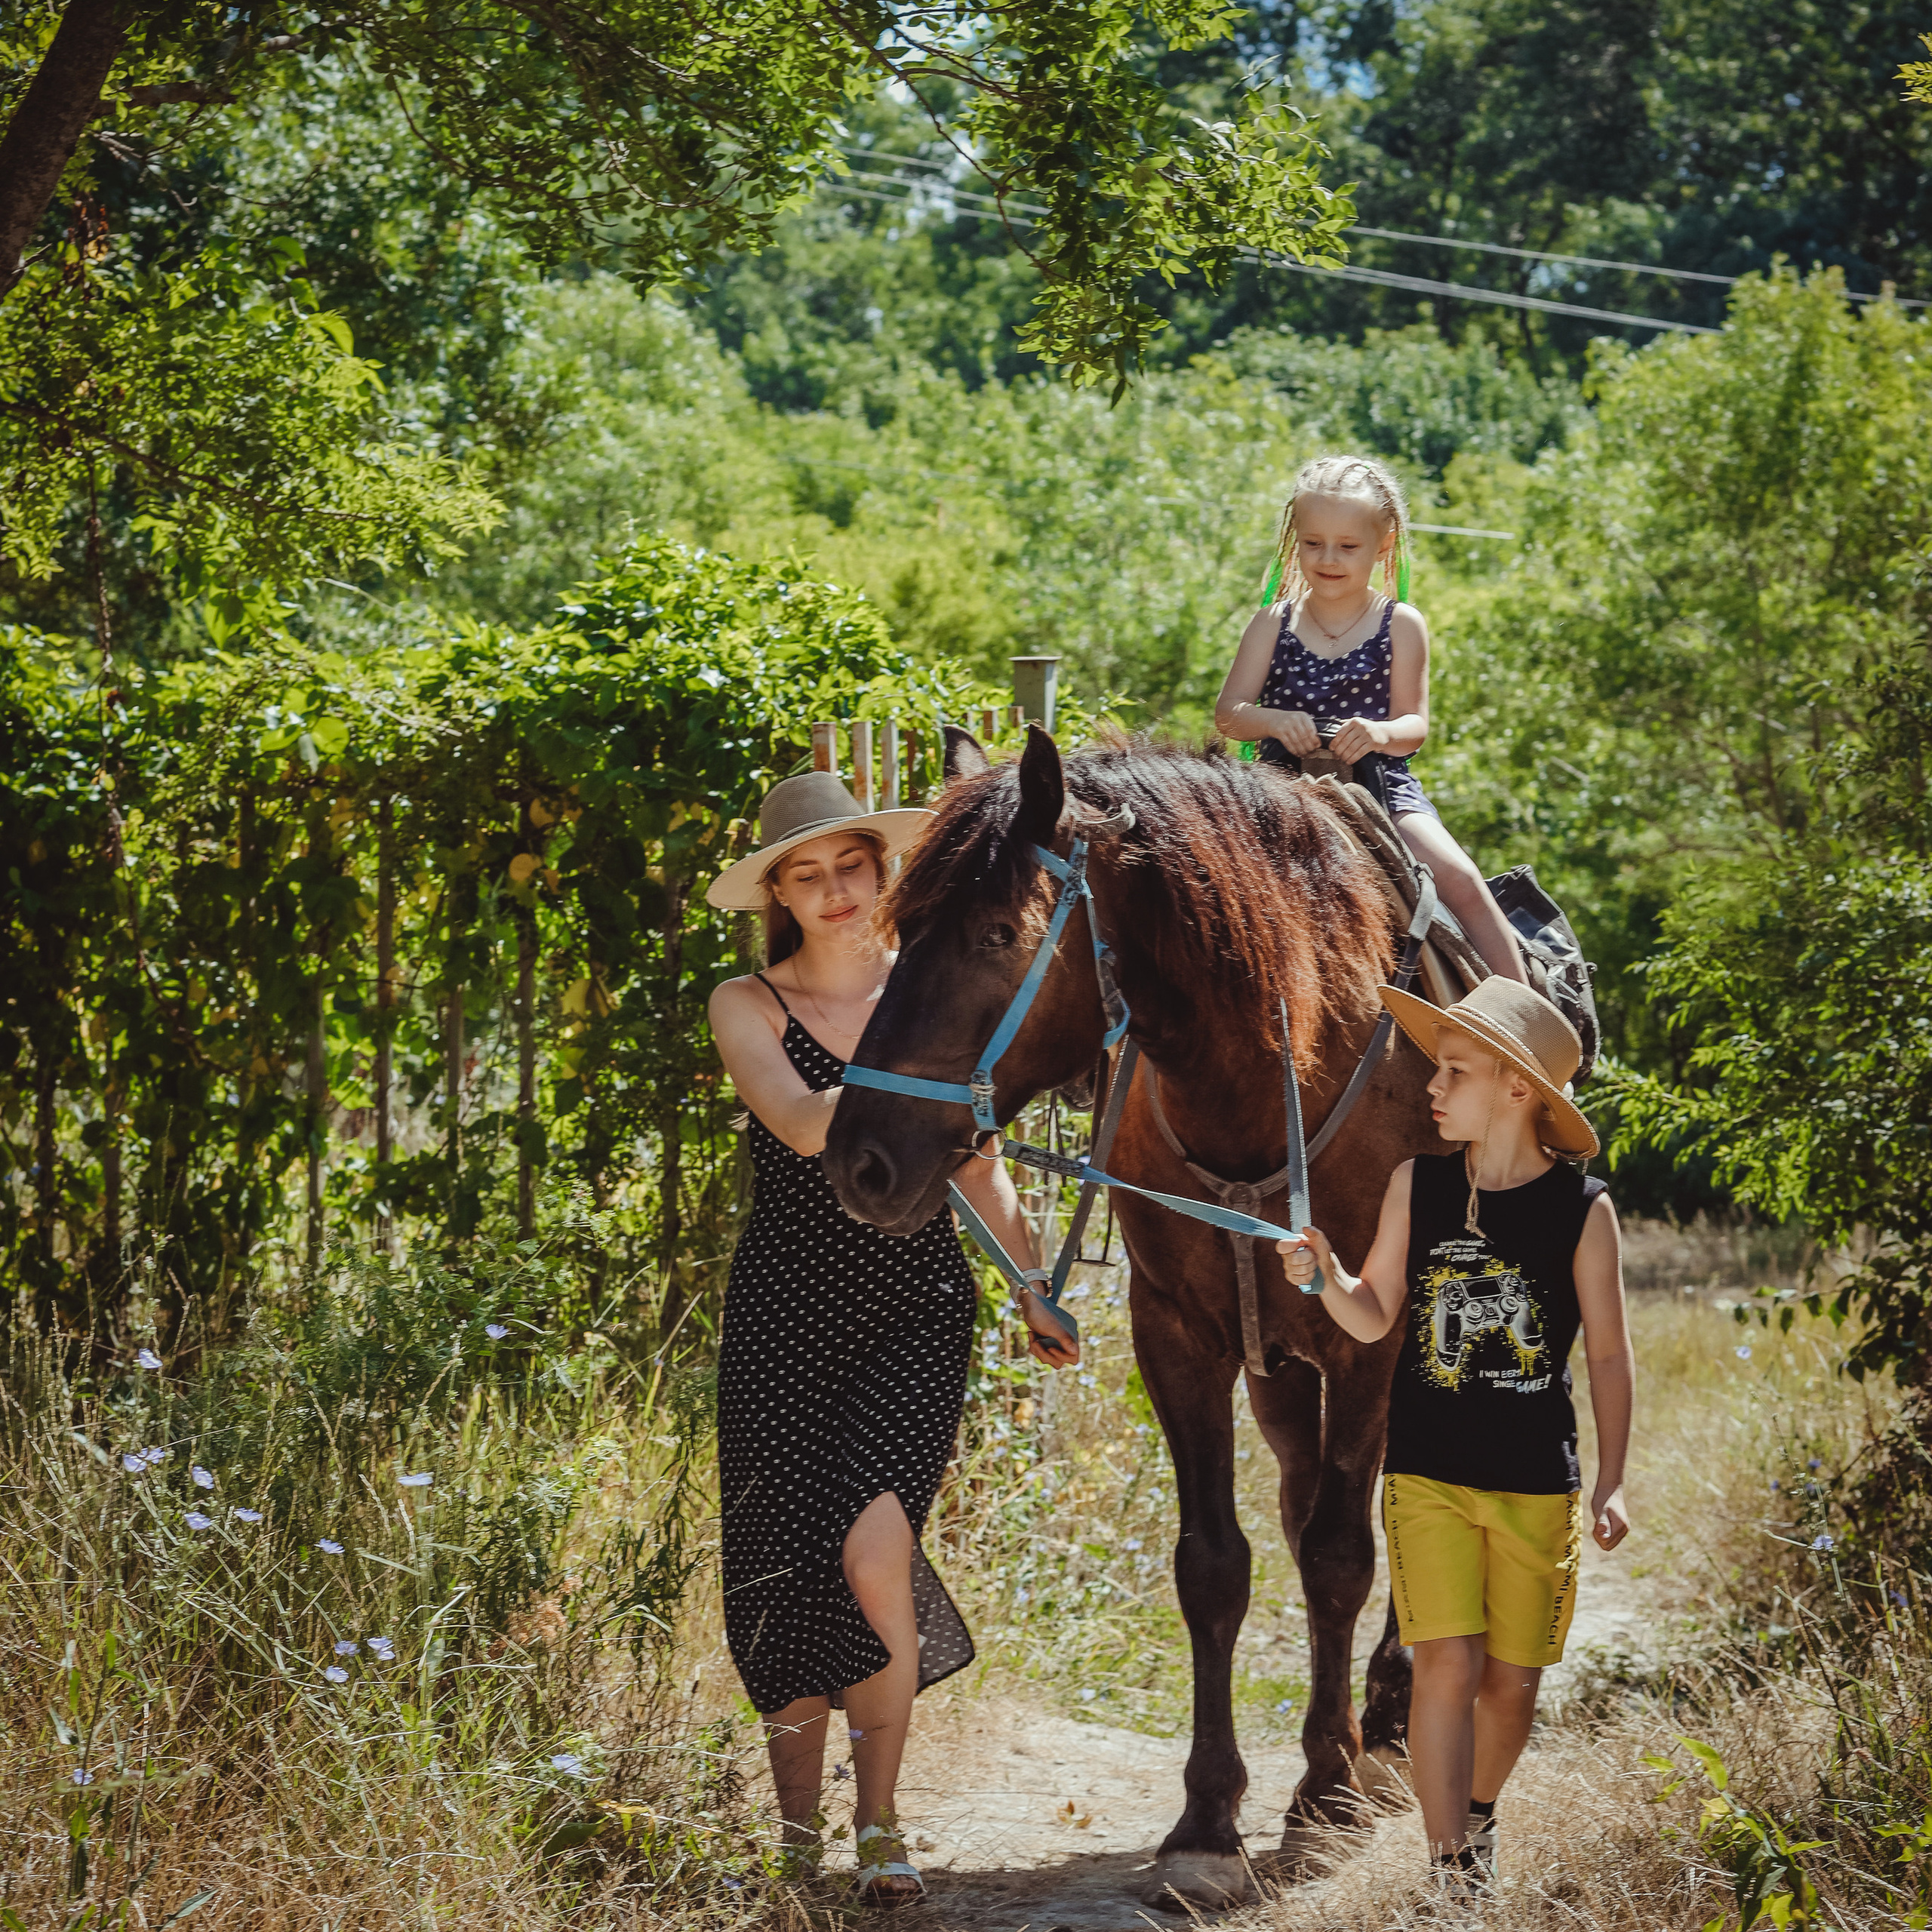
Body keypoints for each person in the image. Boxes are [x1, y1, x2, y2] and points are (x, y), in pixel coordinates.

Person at [705, 770, 1077, 1907]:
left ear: (883, 872)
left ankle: (879, 1825)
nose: (833, 891)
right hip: (782, 1313)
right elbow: (805, 1120)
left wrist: (1031, 1282)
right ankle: (792, 1832)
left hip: (912, 1304)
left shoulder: (927, 994)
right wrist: (917, 1080)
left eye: (851, 867)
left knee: (874, 1557)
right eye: (805, 875)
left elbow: (982, 1166)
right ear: (779, 892)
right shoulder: (748, 1004)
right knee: (783, 1576)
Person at [1276, 977, 1632, 1899]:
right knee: (1444, 1662)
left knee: (1509, 1687)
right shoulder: (1417, 1184)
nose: (1433, 1087)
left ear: (1517, 1086)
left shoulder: (1582, 1210)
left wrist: (1613, 1481)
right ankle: (1449, 1876)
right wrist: (1324, 1276)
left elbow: (1607, 1360)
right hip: (1426, 1474)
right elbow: (1371, 1314)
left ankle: (1475, 1817)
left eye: (1455, 1071)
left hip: (1534, 1483)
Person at [1214, 453, 1529, 983]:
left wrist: (1379, 731)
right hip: (1276, 788)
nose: (1328, 558)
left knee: (1460, 877)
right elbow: (1229, 715)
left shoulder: (1401, 624)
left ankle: (1522, 1021)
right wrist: (1272, 721)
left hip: (1380, 788)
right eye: (1312, 543)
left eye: (1348, 546)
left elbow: (1414, 728)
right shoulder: (1273, 622)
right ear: (1295, 541)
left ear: (1383, 545)